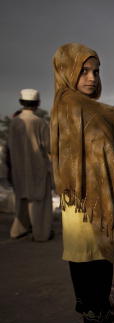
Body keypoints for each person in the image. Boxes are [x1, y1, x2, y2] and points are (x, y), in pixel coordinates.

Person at [51, 43, 114, 323]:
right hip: (92, 201)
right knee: (97, 261)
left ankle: (91, 315)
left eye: (95, 71)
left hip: (75, 200)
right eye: (83, 71)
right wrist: (110, 116)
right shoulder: (81, 106)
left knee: (82, 259)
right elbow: (100, 150)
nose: (91, 78)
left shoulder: (62, 103)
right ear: (66, 71)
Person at [6, 89, 53, 241]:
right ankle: (41, 234)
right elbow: (49, 147)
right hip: (38, 167)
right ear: (37, 103)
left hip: (18, 168)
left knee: (21, 199)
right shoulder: (40, 123)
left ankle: (18, 230)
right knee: (40, 202)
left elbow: (8, 147)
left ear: (21, 102)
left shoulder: (14, 122)